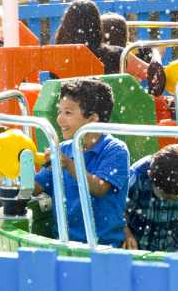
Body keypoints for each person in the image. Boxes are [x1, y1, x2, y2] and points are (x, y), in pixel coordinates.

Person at [34, 79, 130, 246]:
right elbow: (36, 187)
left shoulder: (116, 150)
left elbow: (100, 188)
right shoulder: (63, 148)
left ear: (92, 119)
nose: (59, 119)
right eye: (59, 111)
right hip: (64, 243)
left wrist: (70, 165)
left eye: (68, 113)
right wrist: (17, 164)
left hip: (104, 246)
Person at [123, 143, 178, 252]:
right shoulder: (136, 178)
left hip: (176, 243)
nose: (166, 200)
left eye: (174, 200)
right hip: (139, 244)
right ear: (150, 176)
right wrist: (126, 233)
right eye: (164, 195)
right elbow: (117, 210)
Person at [54, 0, 154, 80]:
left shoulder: (56, 57)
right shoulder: (116, 55)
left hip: (64, 104)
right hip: (108, 104)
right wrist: (156, 54)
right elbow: (153, 74)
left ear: (65, 26)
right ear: (97, 25)